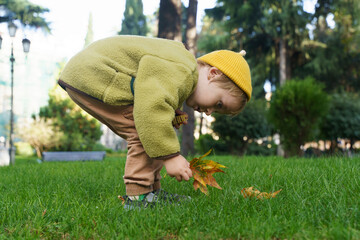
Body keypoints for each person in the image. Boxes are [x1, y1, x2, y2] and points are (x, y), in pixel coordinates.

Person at [58, 35, 251, 210]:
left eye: (217, 111)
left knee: (157, 126)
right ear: (213, 74)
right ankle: (138, 197)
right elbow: (151, 105)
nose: (209, 112)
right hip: (94, 73)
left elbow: (153, 88)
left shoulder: (181, 68)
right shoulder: (183, 69)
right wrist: (171, 156)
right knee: (145, 127)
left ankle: (151, 191)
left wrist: (168, 113)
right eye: (218, 103)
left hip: (89, 71)